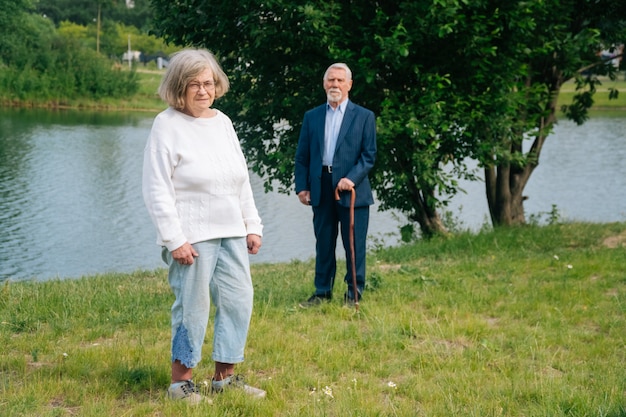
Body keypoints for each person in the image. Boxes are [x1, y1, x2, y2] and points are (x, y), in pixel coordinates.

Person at [142, 48, 266, 404]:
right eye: (193, 84)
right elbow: (156, 187)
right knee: (192, 307)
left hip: (232, 231)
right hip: (192, 237)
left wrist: (252, 224)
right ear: (178, 87)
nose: (202, 91)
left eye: (208, 83)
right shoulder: (167, 124)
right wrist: (174, 238)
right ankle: (181, 383)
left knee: (238, 300)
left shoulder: (222, 122)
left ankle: (224, 379)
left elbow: (239, 179)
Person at [294, 62, 377, 308]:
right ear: (324, 84)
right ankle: (321, 293)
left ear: (349, 85)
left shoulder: (364, 116)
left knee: (353, 244)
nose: (335, 84)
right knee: (324, 242)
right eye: (331, 80)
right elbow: (302, 156)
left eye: (340, 80)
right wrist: (302, 187)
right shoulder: (312, 117)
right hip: (321, 187)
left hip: (352, 191)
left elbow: (369, 155)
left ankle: (354, 294)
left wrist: (351, 178)